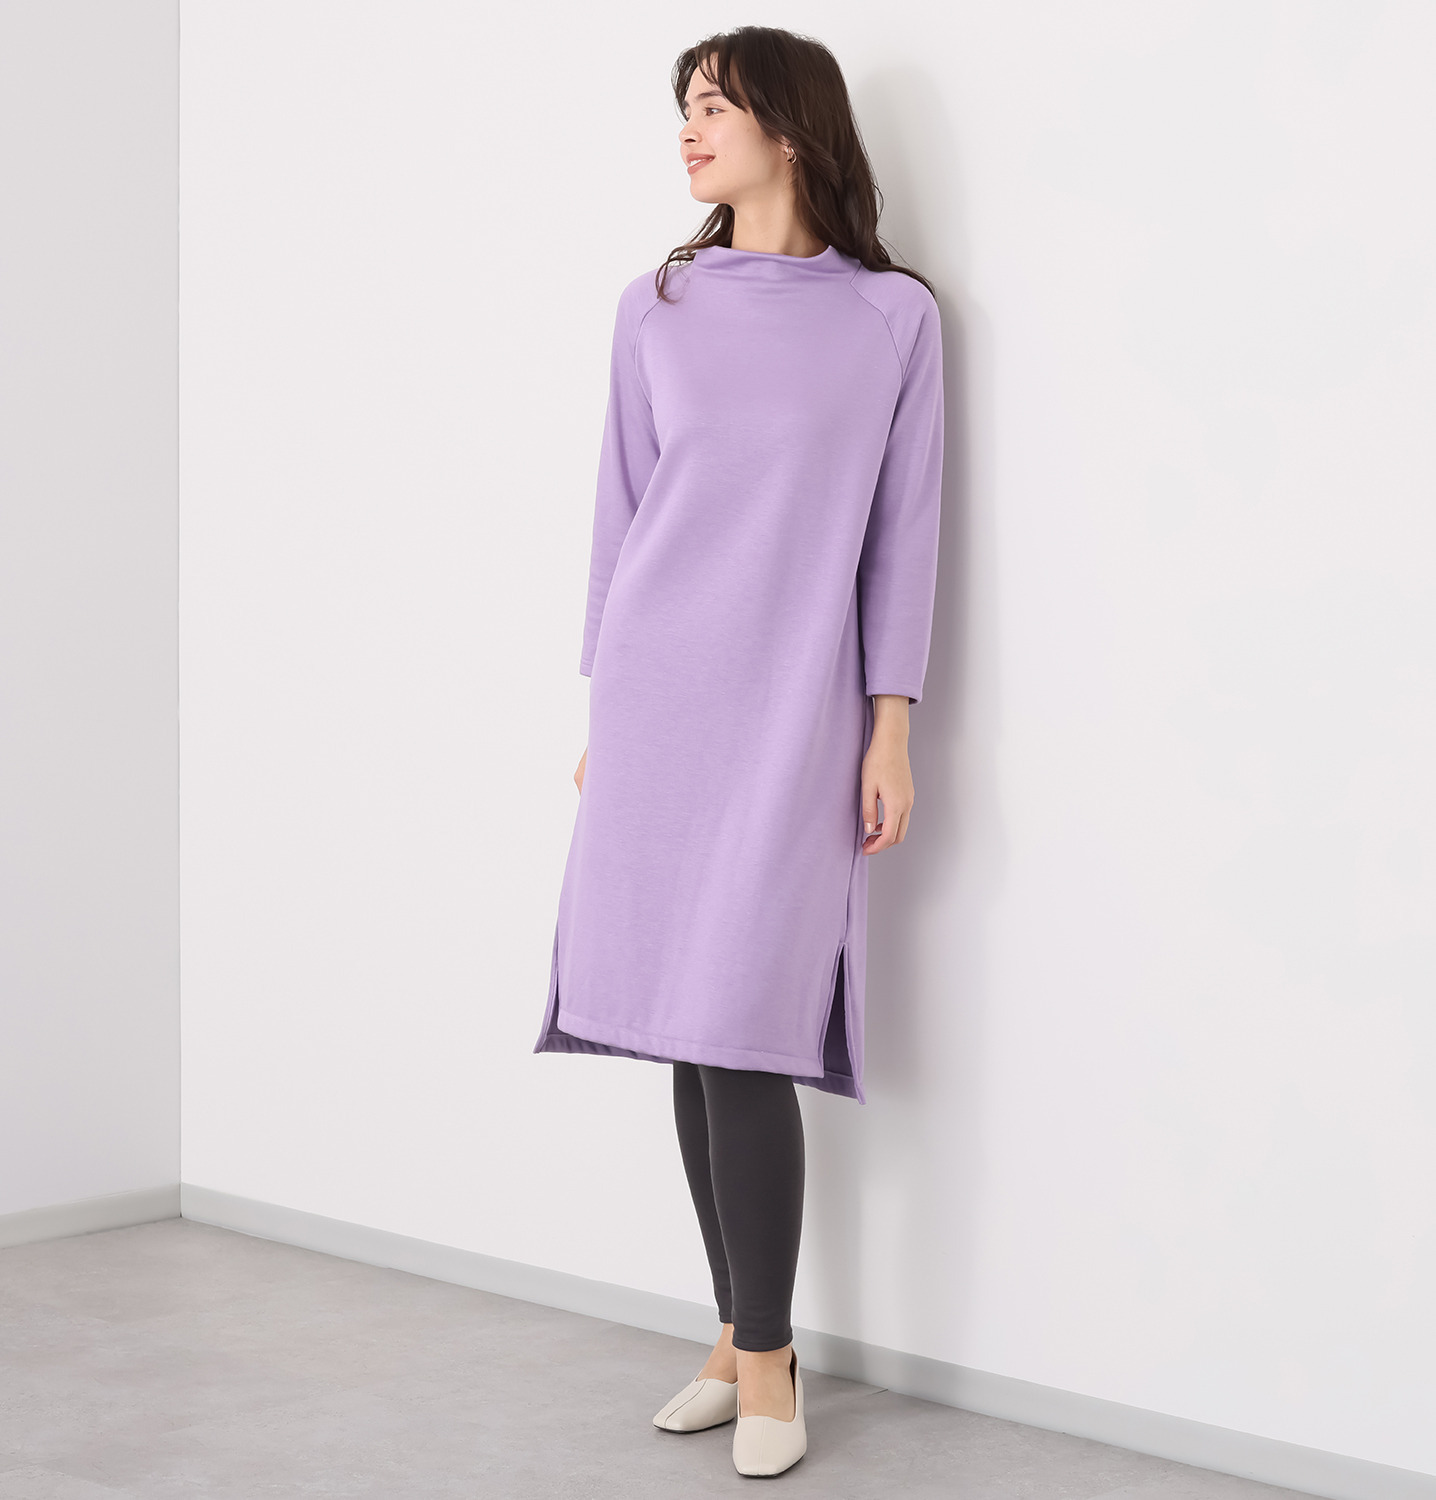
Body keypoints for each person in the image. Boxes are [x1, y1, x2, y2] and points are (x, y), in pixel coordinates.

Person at [533, 25, 944, 1478]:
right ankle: (739, 1337)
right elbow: (620, 515)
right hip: (660, 701)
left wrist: (890, 725)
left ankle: (767, 1360)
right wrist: (605, 715)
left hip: (797, 708)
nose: (690, 129)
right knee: (686, 1020)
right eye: (684, 107)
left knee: (745, 1018)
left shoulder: (892, 319)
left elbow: (904, 536)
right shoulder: (656, 306)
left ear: (789, 125)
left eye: (715, 105)